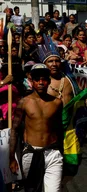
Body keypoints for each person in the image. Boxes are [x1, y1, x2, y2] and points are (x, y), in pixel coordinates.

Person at [9, 64, 63, 192]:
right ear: (31, 82)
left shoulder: (57, 103)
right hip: (31, 153)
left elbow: (60, 129)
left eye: (44, 79)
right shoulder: (24, 102)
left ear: (49, 81)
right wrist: (12, 158)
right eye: (37, 79)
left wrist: (61, 152)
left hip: (53, 153)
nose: (41, 82)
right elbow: (14, 130)